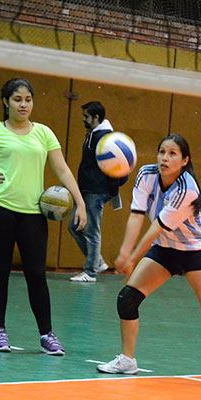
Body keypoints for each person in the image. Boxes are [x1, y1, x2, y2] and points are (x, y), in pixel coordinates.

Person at [96, 134, 201, 389]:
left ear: (185, 160)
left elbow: (156, 227)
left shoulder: (187, 188)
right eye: (162, 152)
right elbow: (137, 215)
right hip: (165, 249)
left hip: (194, 250)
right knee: (127, 299)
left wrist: (131, 258)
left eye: (173, 153)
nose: (165, 158)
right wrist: (125, 251)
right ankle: (127, 360)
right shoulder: (145, 175)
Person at [0, 78, 86, 355]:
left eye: (28, 99)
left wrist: (80, 203)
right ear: (5, 102)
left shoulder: (44, 133)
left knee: (36, 274)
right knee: (0, 270)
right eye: (17, 99)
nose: (23, 104)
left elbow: (63, 170)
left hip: (33, 214)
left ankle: (47, 334)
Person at [68, 101, 126, 283]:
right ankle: (97, 261)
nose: (83, 119)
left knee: (91, 231)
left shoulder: (106, 139)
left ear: (96, 118)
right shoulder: (92, 135)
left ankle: (90, 272)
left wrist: (113, 191)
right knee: (74, 226)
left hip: (96, 191)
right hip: (86, 190)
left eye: (86, 116)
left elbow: (117, 166)